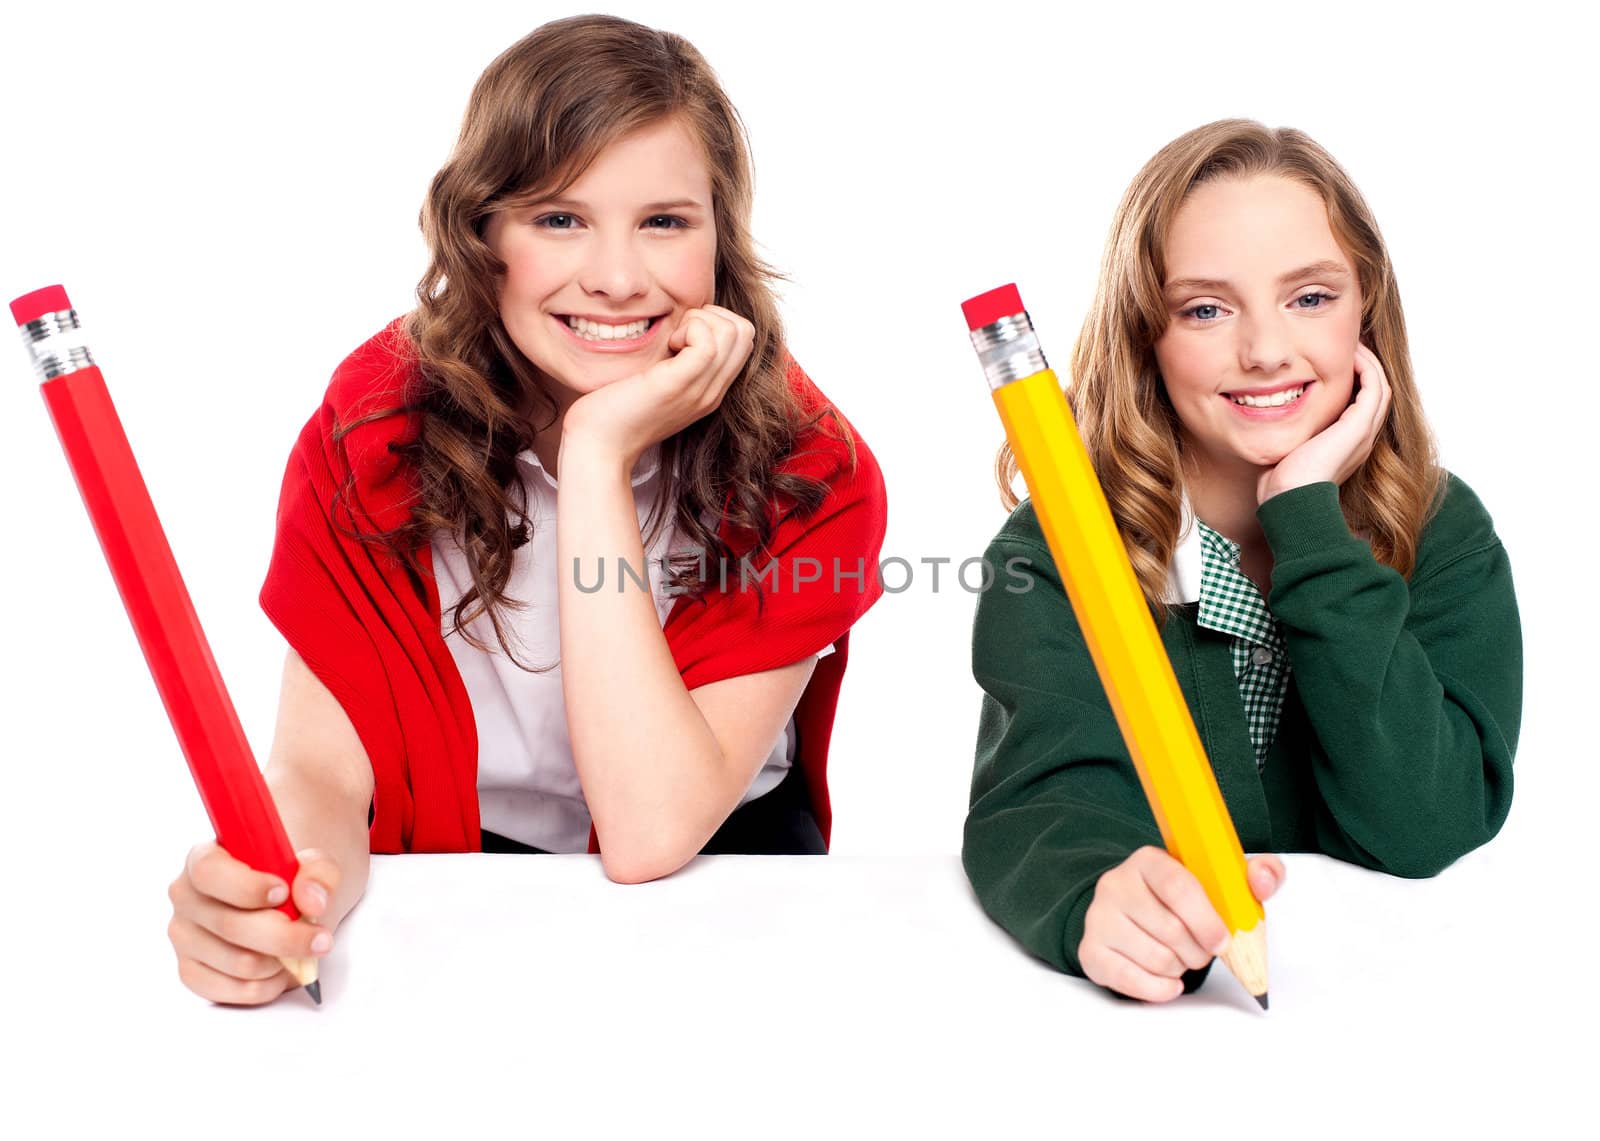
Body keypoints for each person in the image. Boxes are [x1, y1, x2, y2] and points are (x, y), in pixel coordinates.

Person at [165, 15, 887, 1005]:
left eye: (665, 222)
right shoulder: (372, 429)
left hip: (722, 877)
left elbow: (649, 830)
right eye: (558, 218)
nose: (619, 278)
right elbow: (326, 775)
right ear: (481, 233)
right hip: (455, 872)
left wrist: (596, 451)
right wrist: (279, 890)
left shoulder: (812, 467)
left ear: (721, 240)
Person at [962, 120, 1520, 1003]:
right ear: (1146, 331)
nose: (1264, 350)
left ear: (1367, 308)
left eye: (1310, 297)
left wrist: (1308, 518)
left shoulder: (1441, 531)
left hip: (1391, 996)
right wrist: (1090, 898)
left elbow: (1428, 823)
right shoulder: (1056, 548)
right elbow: (1040, 806)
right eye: (1206, 309)